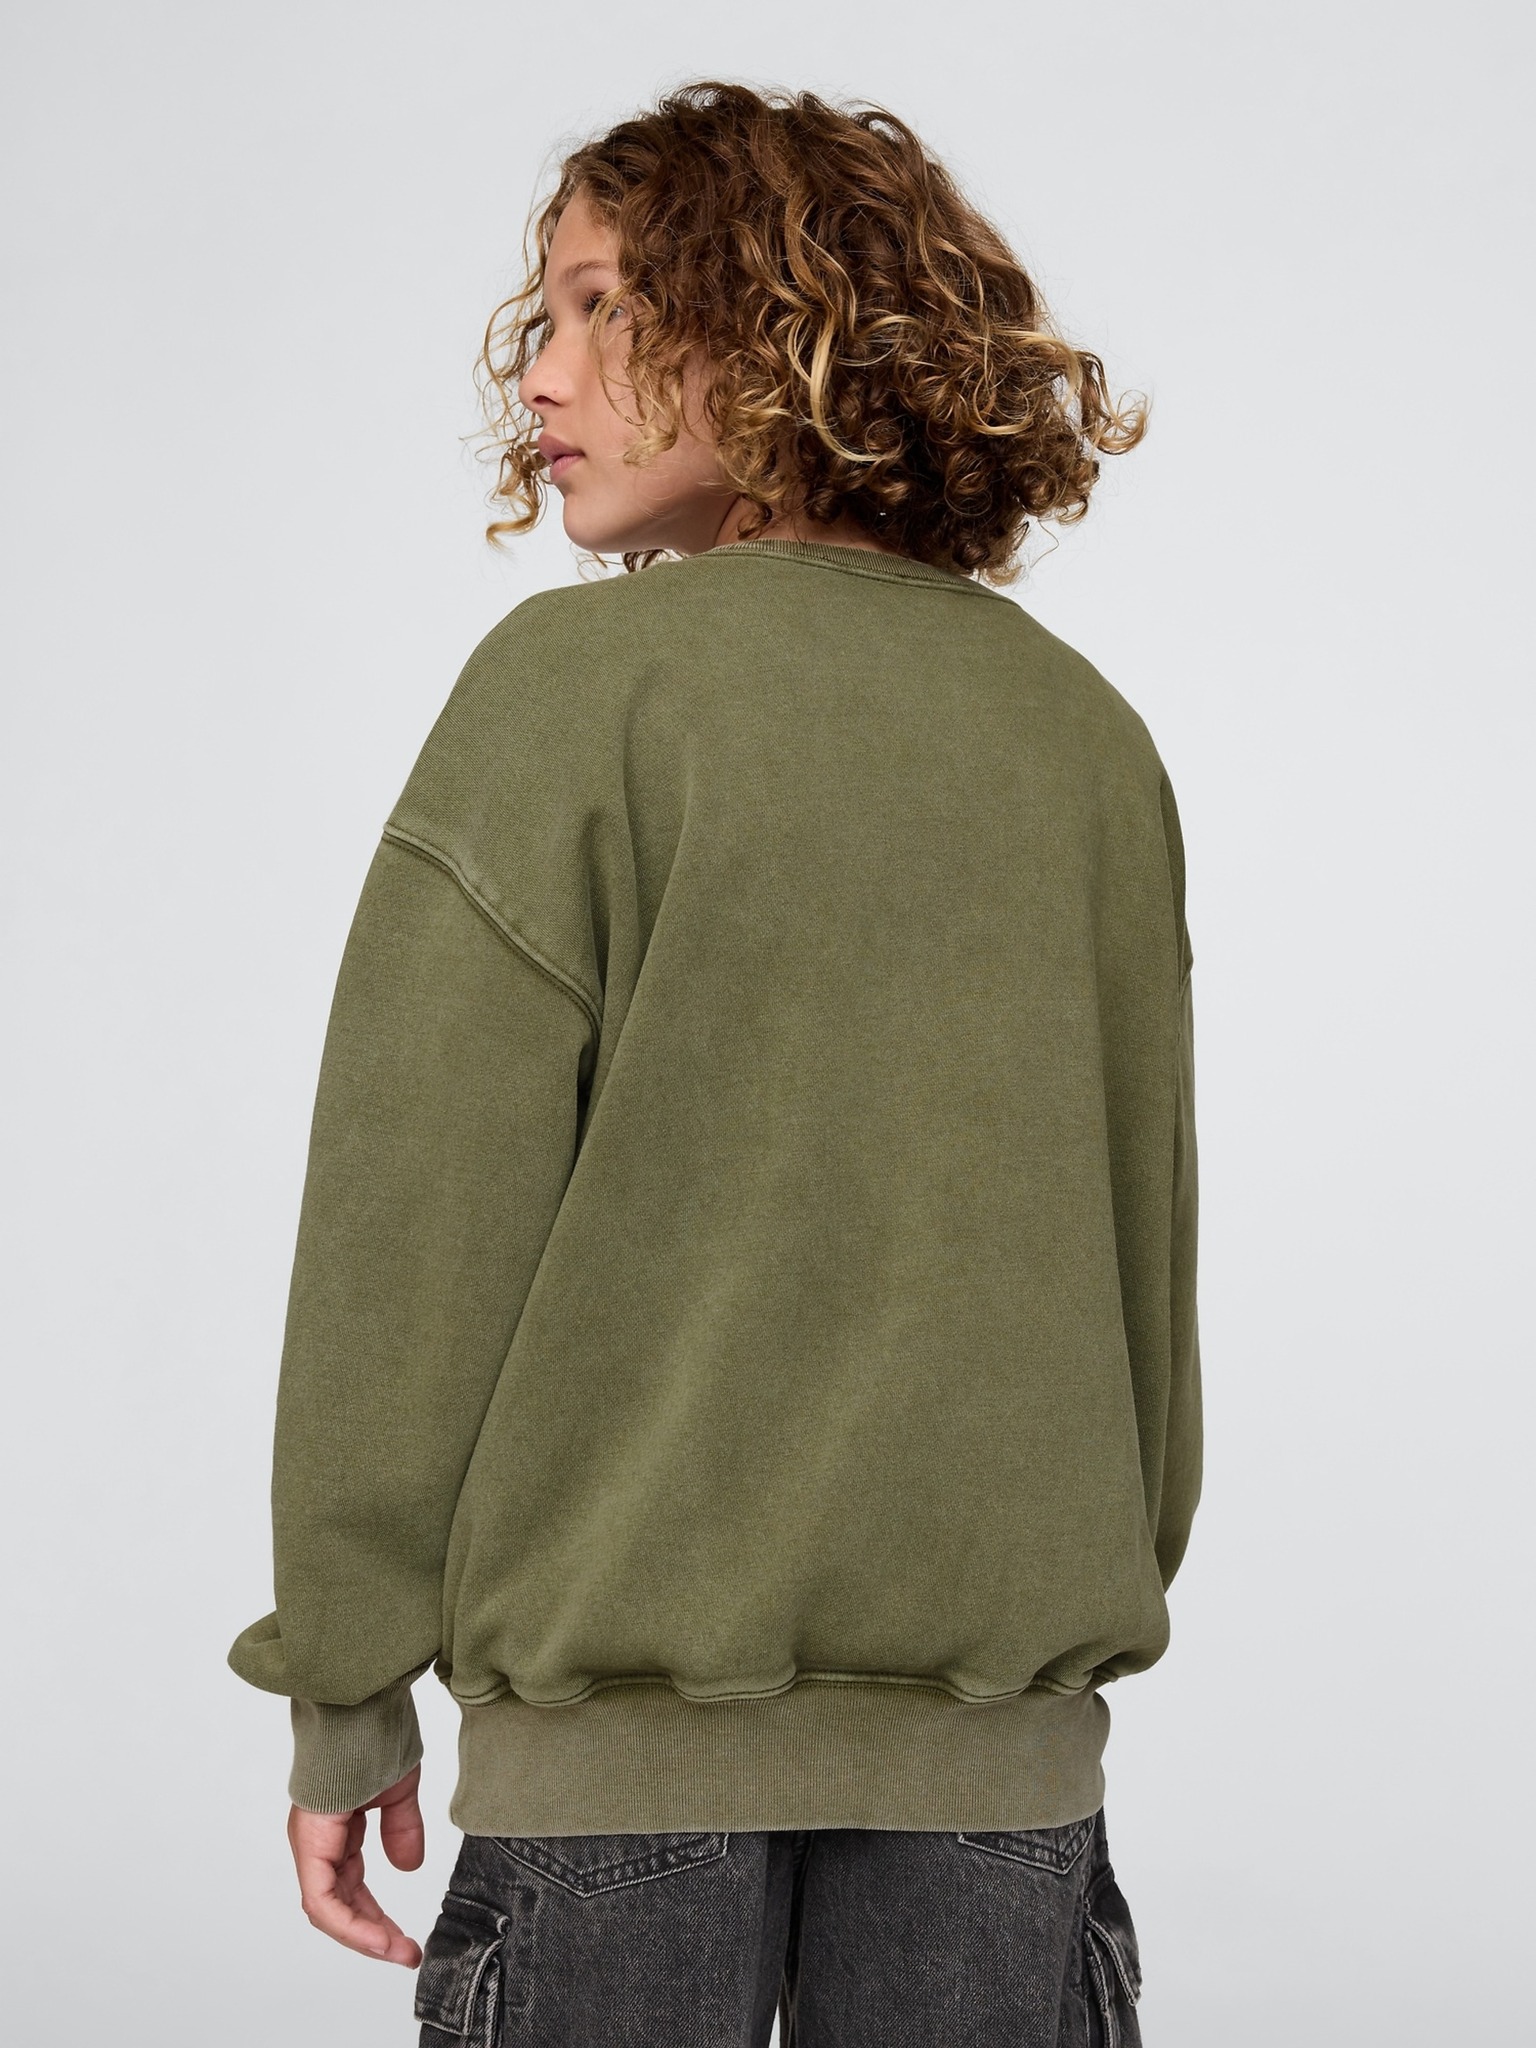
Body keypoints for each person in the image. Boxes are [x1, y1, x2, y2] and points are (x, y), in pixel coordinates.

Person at [228, 78, 1201, 2048]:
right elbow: (1141, 1265)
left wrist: (347, 1675)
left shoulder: (573, 696)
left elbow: (410, 1232)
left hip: (613, 1776)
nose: (540, 372)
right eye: (543, 318)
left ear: (779, 330)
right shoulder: (1083, 736)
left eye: (602, 306)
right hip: (1001, 1769)